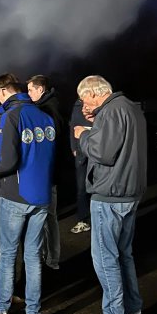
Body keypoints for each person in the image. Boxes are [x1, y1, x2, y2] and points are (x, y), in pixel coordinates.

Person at [0, 73, 55, 314]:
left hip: (15, 195)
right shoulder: (45, 116)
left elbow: (7, 161)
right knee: (33, 256)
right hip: (42, 194)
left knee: (8, 255)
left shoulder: (11, 116)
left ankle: (0, 311)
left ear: (1, 92)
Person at [74, 75, 147, 314]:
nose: (85, 104)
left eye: (85, 98)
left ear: (94, 93)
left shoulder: (111, 111)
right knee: (123, 254)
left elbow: (104, 153)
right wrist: (98, 127)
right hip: (130, 192)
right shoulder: (130, 108)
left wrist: (85, 135)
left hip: (110, 194)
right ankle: (133, 310)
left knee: (105, 257)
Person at [26, 74, 65, 270]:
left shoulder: (48, 109)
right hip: (48, 172)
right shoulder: (49, 106)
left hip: (47, 173)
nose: (28, 93)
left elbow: (50, 142)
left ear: (40, 90)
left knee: (48, 217)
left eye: (31, 90)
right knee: (46, 217)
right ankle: (46, 257)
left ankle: (51, 260)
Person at [69, 98, 92, 233]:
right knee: (81, 188)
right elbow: (73, 127)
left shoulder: (100, 105)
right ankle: (83, 220)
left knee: (97, 187)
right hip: (81, 154)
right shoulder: (77, 106)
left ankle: (98, 219)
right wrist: (73, 147)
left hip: (96, 152)